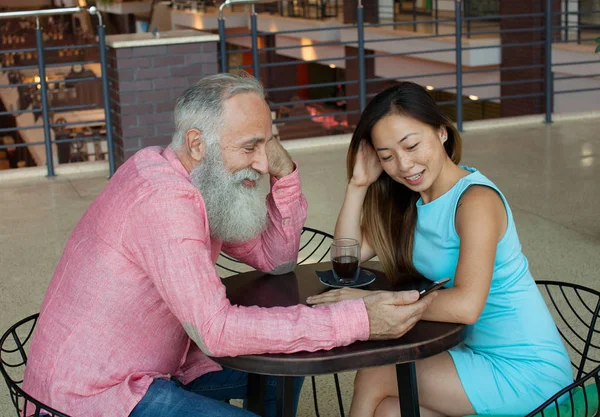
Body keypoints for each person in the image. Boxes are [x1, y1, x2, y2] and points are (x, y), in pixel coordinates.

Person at [22, 73, 436, 417]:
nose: (261, 161)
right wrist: (360, 319)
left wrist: (286, 173)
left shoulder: (193, 177)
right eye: (250, 146)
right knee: (275, 354)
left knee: (280, 369)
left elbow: (276, 260)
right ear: (198, 144)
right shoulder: (163, 200)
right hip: (93, 395)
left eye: (267, 142)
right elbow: (217, 332)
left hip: (160, 364)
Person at [307, 82, 573, 416]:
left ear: (441, 133)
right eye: (387, 156)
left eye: (412, 145)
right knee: (388, 411)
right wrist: (358, 184)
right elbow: (347, 257)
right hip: (472, 354)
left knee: (376, 374)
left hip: (527, 370)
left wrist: (369, 303)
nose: (404, 165)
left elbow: (465, 306)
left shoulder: (475, 200)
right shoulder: (410, 205)